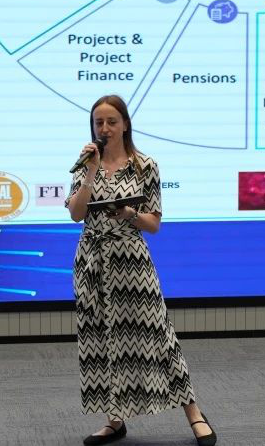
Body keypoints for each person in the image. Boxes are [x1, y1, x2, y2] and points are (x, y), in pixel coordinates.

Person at [65, 95, 217, 446]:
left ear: (125, 125)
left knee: (158, 335)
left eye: (111, 122)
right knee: (101, 338)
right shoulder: (84, 163)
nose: (105, 128)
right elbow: (75, 214)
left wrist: (129, 213)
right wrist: (90, 172)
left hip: (131, 261)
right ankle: (114, 421)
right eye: (99, 123)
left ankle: (195, 414)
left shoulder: (145, 165)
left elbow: (154, 224)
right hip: (92, 260)